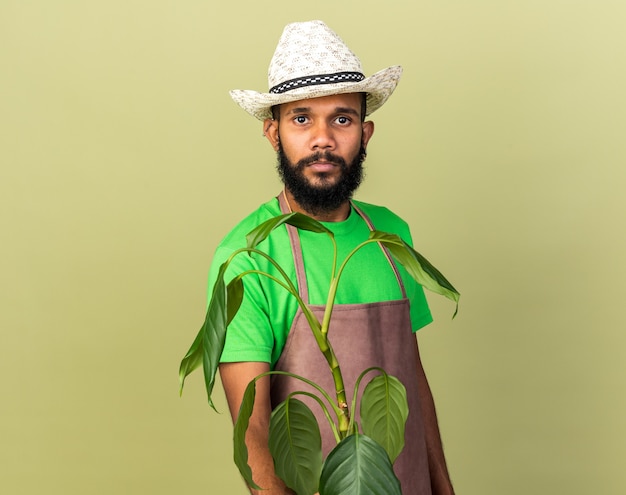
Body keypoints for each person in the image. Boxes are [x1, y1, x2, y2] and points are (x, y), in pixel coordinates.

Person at [210, 20, 455, 494]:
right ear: (273, 133)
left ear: (365, 133)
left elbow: (409, 378)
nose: (322, 138)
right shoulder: (247, 253)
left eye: (341, 119)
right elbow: (253, 432)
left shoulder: (390, 233)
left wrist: (443, 485)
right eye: (301, 118)